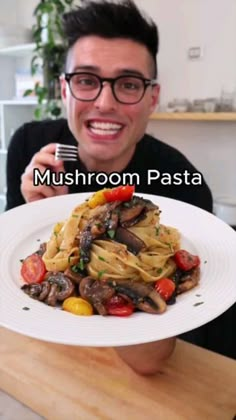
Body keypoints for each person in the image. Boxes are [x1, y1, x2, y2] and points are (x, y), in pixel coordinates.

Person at [6, 0, 235, 374]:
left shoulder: (183, 184)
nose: (104, 102)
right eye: (85, 80)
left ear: (152, 98)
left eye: (128, 84)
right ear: (64, 90)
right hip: (38, 364)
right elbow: (18, 294)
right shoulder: (30, 148)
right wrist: (47, 224)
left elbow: (151, 362)